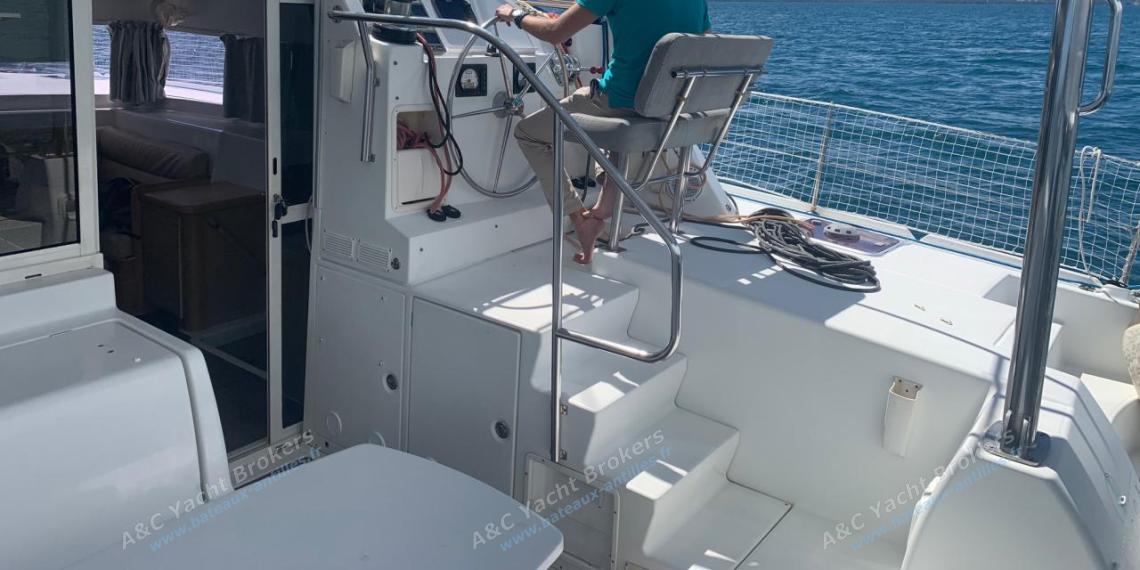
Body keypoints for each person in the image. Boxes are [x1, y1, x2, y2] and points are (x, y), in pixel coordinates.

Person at [495, 0, 711, 264]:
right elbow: (701, 46)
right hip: (667, 107)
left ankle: (579, 218)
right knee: (618, 129)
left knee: (529, 134)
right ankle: (602, 211)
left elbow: (554, 33)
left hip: (618, 101)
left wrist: (516, 15)